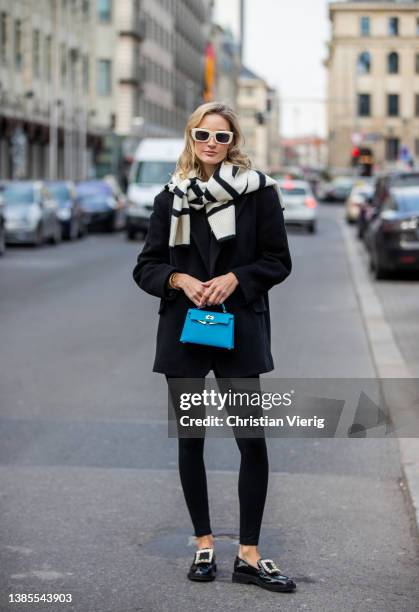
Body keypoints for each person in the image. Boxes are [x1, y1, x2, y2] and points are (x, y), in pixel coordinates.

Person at [132, 101, 296, 593]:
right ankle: (204, 543)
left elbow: (278, 260)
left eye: (221, 137)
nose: (211, 143)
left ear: (233, 142)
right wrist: (179, 278)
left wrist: (235, 279)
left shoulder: (259, 194)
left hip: (239, 330)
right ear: (191, 137)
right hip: (185, 331)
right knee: (191, 441)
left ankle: (248, 553)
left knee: (252, 442)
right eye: (203, 134)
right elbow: (146, 267)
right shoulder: (170, 198)